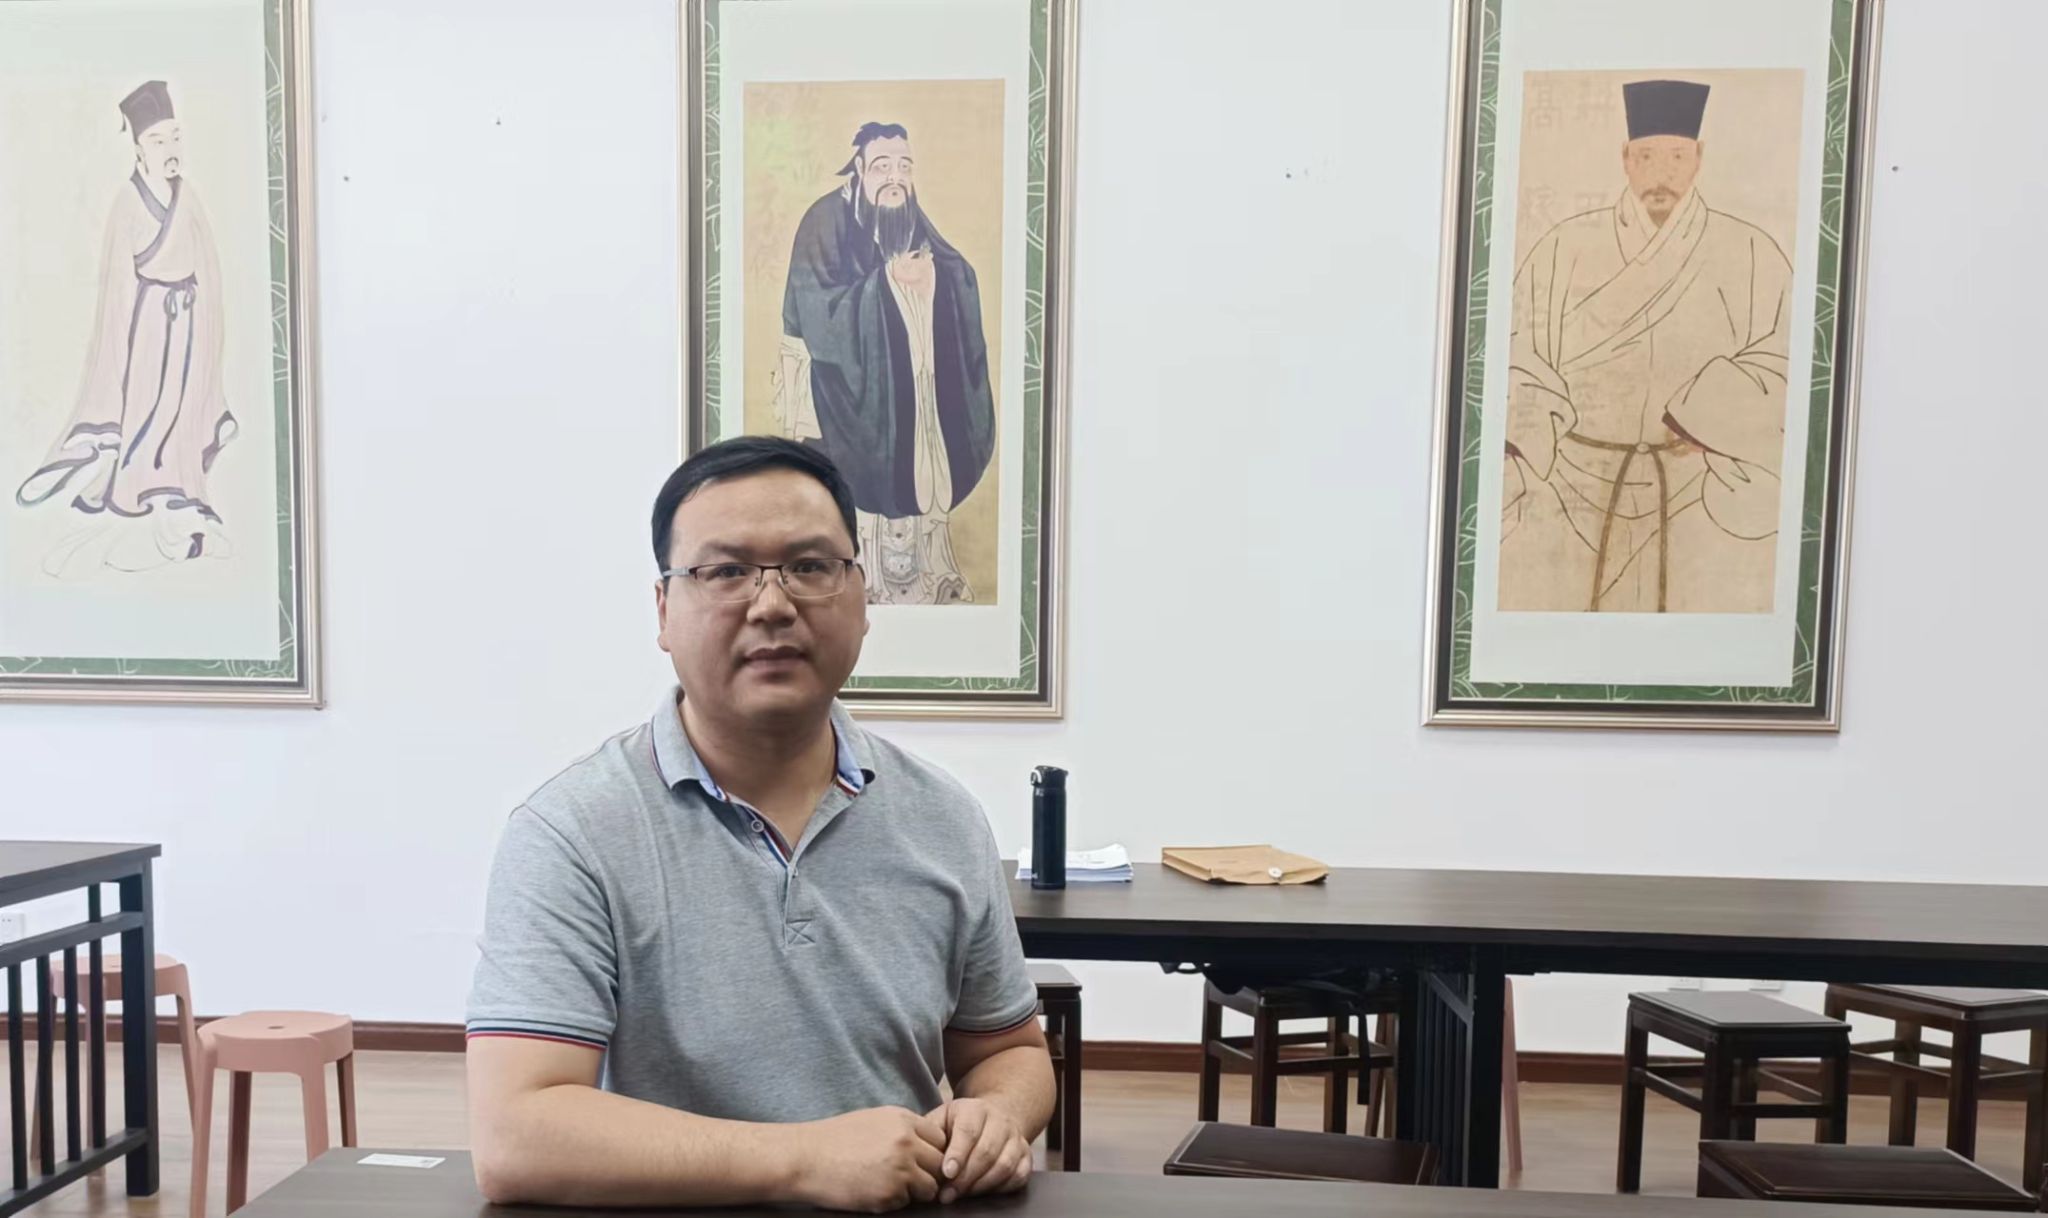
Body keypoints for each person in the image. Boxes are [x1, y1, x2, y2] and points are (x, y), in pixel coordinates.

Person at [464, 436, 1051, 1211]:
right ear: (664, 610)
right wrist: (802, 1160)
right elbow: (517, 1134)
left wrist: (998, 1116)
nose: (772, 605)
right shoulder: (572, 832)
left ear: (861, 597)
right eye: (726, 572)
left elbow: (1010, 1049)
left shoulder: (943, 818)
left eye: (810, 566)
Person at [1499, 79, 1792, 614]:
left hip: (1696, 493)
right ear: (1625, 159)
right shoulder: (1563, 247)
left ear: (1699, 157)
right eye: (1647, 156)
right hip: (1574, 493)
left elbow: (1784, 361)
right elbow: (1518, 356)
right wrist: (1529, 441)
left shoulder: (1750, 250)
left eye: (1677, 156)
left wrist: (1710, 412)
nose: (1661, 174)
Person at [15, 80, 237, 575]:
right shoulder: (126, 202)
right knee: (145, 410)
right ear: (138, 149)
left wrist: (208, 332)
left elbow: (210, 269)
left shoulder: (189, 197)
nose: (170, 149)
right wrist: (120, 353)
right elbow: (117, 287)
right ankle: (140, 496)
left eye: (175, 137)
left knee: (181, 409)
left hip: (189, 321)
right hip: (148, 322)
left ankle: (180, 496)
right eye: (158, 140)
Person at [774, 121, 996, 606]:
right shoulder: (824, 220)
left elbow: (957, 269)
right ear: (858, 169)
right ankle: (868, 570)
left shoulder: (903, 212)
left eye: (904, 166)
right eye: (882, 166)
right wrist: (889, 284)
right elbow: (817, 312)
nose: (895, 176)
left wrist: (932, 280)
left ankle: (931, 567)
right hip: (840, 381)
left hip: (906, 382)